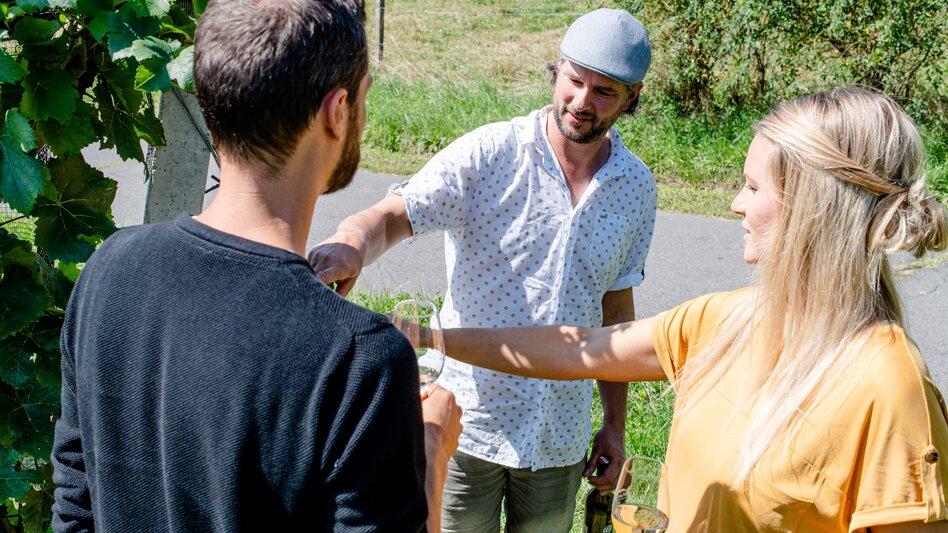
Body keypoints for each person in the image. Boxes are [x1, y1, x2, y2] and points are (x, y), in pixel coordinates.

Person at [423, 87, 948, 532]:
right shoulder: (731, 320)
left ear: (812, 208)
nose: (736, 205)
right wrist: (430, 339)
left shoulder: (891, 391)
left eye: (753, 186)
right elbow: (577, 350)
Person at [50, 1, 461, 531]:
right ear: (337, 112)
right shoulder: (361, 360)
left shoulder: (108, 271)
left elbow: (75, 507)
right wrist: (430, 450)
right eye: (364, 99)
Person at [309, 8, 657, 531]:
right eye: (575, 81)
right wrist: (351, 243)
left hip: (558, 434)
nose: (582, 103)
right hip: (466, 423)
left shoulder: (636, 187)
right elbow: (394, 214)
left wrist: (614, 424)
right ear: (556, 72)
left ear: (632, 98)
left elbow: (616, 312)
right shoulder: (492, 152)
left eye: (604, 92)